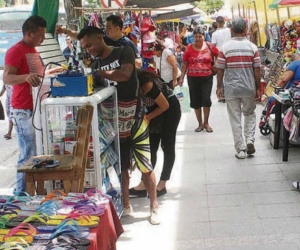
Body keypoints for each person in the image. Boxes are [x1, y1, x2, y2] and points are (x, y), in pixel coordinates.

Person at [77, 26, 159, 225]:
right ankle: (126, 206)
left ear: (99, 37)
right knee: (121, 167)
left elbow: (125, 74)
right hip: (113, 124)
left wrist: (101, 73)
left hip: (135, 119)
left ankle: (154, 206)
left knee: (145, 165)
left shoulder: (124, 51)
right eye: (85, 47)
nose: (88, 49)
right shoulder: (95, 63)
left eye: (89, 44)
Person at [3, 15, 63, 193]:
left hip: (37, 108)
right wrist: (25, 77)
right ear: (29, 33)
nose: (43, 39)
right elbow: (6, 77)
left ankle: (34, 191)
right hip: (23, 109)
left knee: (39, 153)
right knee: (28, 154)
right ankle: (20, 195)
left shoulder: (34, 51)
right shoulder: (15, 51)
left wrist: (51, 71)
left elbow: (36, 75)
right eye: (40, 35)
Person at [129, 70, 181, 197]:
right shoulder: (129, 84)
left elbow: (164, 106)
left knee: (167, 146)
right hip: (154, 111)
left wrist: (147, 118)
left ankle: (162, 184)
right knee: (150, 147)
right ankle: (144, 184)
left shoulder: (147, 84)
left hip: (169, 111)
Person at [216, 17, 261, 159]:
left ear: (231, 30)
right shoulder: (252, 47)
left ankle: (240, 150)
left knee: (235, 118)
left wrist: (219, 86)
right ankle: (249, 139)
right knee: (249, 113)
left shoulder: (225, 47)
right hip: (248, 87)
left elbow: (220, 69)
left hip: (231, 88)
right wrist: (258, 87)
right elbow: (257, 70)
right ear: (245, 30)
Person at [56, 15, 142, 69]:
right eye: (105, 28)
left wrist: (120, 57)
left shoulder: (128, 44)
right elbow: (83, 37)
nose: (106, 30)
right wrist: (65, 31)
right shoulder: (103, 40)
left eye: (109, 28)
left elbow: (139, 63)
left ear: (117, 28)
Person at [178, 26, 218, 133]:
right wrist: (181, 77)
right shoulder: (189, 48)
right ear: (193, 37)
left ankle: (206, 122)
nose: (198, 39)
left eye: (200, 36)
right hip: (192, 78)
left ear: (204, 37)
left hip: (207, 77)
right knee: (196, 101)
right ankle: (200, 124)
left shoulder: (209, 46)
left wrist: (217, 64)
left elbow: (218, 54)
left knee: (206, 99)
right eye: (196, 37)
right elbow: (185, 63)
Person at [212, 16, 232, 103]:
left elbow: (213, 47)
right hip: (230, 54)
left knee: (220, 75)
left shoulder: (215, 34)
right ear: (224, 22)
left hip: (219, 56)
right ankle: (229, 94)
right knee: (229, 74)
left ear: (217, 24)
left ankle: (222, 94)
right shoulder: (229, 31)